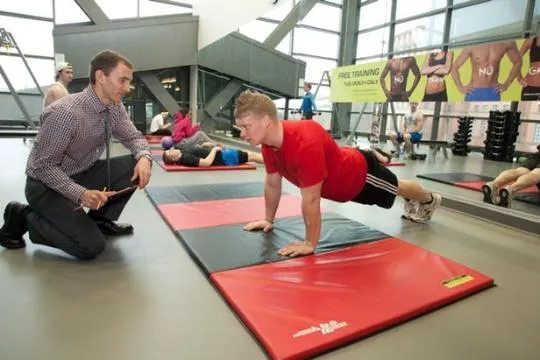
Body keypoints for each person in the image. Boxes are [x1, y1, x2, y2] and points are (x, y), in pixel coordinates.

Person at [234, 90, 441, 258]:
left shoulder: (304, 143)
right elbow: (272, 183)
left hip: (359, 175)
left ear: (267, 121)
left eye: (246, 126)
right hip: (340, 170)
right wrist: (268, 219)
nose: (242, 133)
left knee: (397, 187)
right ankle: (373, 155)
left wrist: (309, 243)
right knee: (394, 185)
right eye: (240, 127)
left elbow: (312, 199)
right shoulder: (269, 146)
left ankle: (429, 199)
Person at [0, 50, 153, 261]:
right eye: (123, 80)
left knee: (134, 163)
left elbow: (134, 137)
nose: (128, 88)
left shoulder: (115, 107)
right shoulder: (65, 113)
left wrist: (144, 157)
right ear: (100, 77)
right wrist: (81, 194)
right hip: (45, 186)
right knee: (90, 247)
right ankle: (24, 216)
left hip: (81, 172)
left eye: (129, 81)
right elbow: (42, 168)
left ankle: (101, 220)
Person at [451, 40, 522, 101]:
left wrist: (506, 84)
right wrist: (460, 87)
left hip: (493, 91)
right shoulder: (472, 44)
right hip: (474, 91)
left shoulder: (507, 42)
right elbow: (455, 67)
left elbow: (518, 61)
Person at [162, 143, 263, 167]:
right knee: (252, 156)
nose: (172, 149)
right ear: (173, 158)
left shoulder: (182, 151)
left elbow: (197, 151)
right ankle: (274, 161)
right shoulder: (186, 159)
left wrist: (203, 145)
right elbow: (206, 163)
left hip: (222, 153)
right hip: (224, 157)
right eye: (170, 152)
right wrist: (214, 150)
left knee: (251, 155)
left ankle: (273, 160)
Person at [518, 32, 540, 101]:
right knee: (526, 111)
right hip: (530, 89)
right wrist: (519, 77)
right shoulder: (531, 39)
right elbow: (516, 59)